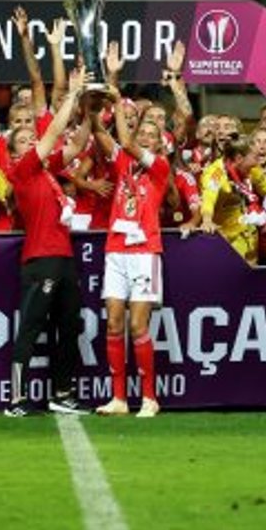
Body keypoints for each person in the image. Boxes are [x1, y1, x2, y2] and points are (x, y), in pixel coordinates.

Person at [4, 67, 91, 417]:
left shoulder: (47, 172)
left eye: (31, 139)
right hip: (41, 259)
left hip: (64, 257)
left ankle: (62, 393)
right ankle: (16, 398)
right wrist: (71, 94)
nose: (31, 143)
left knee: (69, 327)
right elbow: (54, 132)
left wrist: (90, 108)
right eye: (23, 140)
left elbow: (78, 144)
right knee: (31, 328)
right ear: (14, 152)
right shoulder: (22, 171)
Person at [89, 66, 171, 418]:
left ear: (160, 141)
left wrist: (114, 83)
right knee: (113, 324)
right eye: (144, 132)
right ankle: (119, 398)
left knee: (138, 326)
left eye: (152, 134)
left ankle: (149, 397)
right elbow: (99, 131)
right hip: (116, 250)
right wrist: (94, 99)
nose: (146, 137)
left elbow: (125, 140)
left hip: (144, 253)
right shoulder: (122, 162)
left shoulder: (160, 167)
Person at [198, 138, 266, 262]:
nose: (257, 164)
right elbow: (208, 197)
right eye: (255, 157)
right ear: (239, 158)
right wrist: (207, 220)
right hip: (226, 245)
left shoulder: (252, 168)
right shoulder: (216, 173)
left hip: (249, 240)